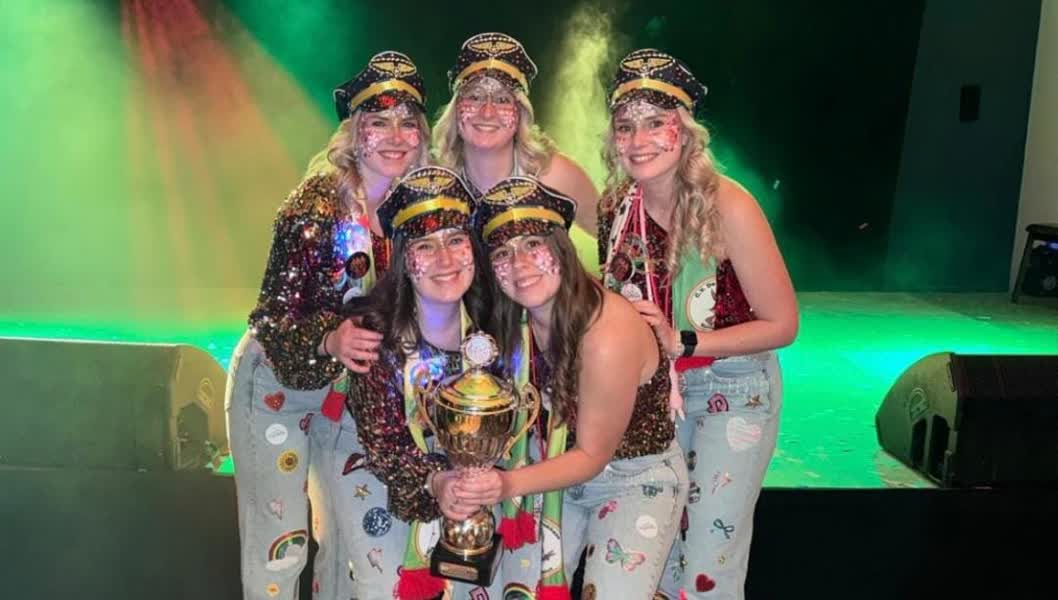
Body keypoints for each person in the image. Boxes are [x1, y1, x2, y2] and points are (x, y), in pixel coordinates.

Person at [224, 50, 429, 600]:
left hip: (356, 397)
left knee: (355, 545)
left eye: (407, 122)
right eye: (378, 121)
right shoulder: (317, 201)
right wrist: (329, 337)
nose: (395, 136)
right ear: (354, 132)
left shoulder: (419, 212)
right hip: (278, 387)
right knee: (281, 544)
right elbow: (271, 316)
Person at [598, 49, 799, 600]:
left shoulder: (729, 205)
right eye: (625, 127)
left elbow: (783, 324)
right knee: (655, 552)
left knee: (709, 560)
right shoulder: (616, 208)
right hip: (655, 393)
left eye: (654, 123)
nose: (638, 140)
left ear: (684, 131)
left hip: (731, 386)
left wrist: (683, 340)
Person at [454, 176, 689, 599]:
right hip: (551, 465)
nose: (519, 263)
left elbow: (592, 455)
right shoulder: (512, 321)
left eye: (533, 245)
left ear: (561, 248)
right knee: (516, 592)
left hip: (633, 477)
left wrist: (507, 485)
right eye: (503, 253)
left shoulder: (606, 331)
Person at [338, 165, 506, 600]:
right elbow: (384, 448)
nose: (445, 260)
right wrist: (436, 481)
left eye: (456, 241)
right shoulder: (375, 336)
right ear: (403, 261)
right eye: (425, 246)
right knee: (386, 588)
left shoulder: (498, 327)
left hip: (475, 487)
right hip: (385, 478)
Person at [431, 32, 600, 237]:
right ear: (456, 108)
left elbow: (616, 238)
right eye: (474, 97)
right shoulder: (433, 182)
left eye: (502, 100)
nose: (487, 113)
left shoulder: (553, 174)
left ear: (520, 112)